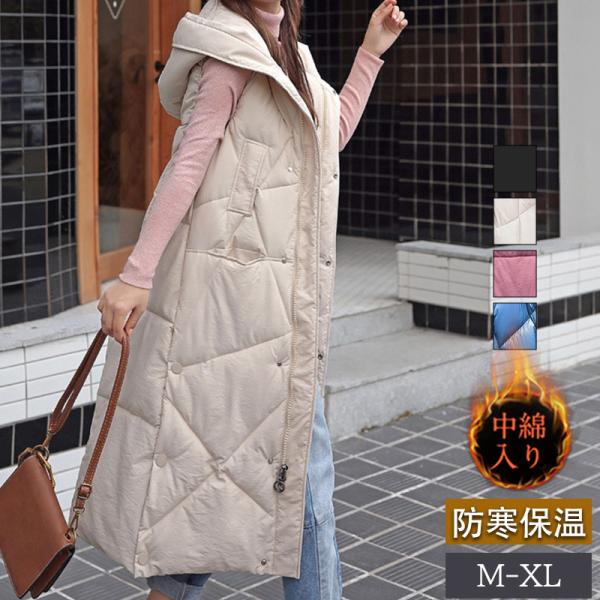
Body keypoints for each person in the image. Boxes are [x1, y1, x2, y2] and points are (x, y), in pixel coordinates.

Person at [80, 1, 407, 599]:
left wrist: (369, 52)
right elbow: (187, 164)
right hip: (232, 309)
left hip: (280, 312)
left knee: (228, 477)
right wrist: (137, 274)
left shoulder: (292, 54)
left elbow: (330, 136)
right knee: (299, 483)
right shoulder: (227, 52)